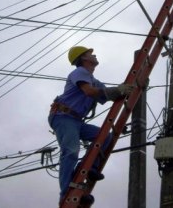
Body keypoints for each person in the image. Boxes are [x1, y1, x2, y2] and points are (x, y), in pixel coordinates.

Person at [48, 46, 133, 205]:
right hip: (63, 117)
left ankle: (88, 169)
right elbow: (89, 92)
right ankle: (65, 193)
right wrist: (117, 90)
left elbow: (106, 93)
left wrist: (124, 89)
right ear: (83, 59)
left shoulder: (93, 80)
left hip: (76, 121)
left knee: (104, 137)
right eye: (90, 54)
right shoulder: (79, 72)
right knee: (71, 151)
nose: (94, 55)